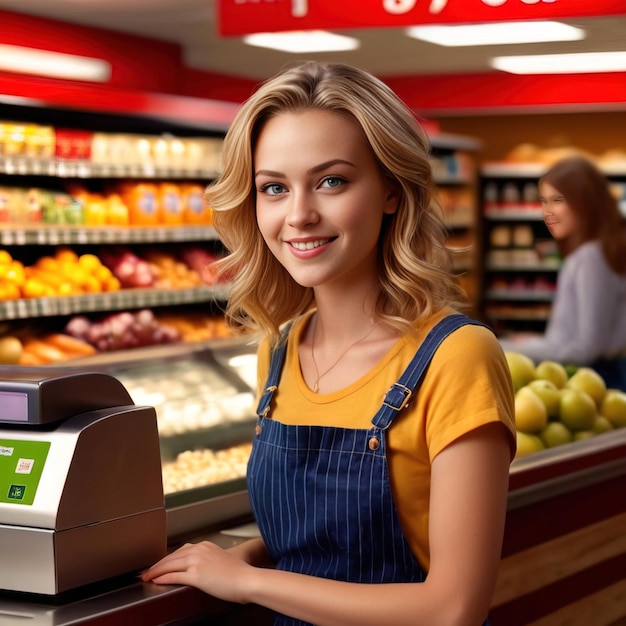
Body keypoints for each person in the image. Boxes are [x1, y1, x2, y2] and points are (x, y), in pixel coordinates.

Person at [141, 61, 516, 625]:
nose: (299, 215)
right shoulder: (279, 351)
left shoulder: (456, 356)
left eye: (331, 181)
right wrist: (240, 557)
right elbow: (321, 540)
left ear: (391, 190)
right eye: (273, 188)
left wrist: (247, 581)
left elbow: (452, 608)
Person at [499, 156, 626, 391]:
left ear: (585, 202)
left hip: (596, 381)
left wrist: (507, 347)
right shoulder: (603, 248)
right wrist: (536, 342)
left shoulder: (590, 257)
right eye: (544, 201)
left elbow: (585, 349)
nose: (548, 212)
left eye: (558, 200)